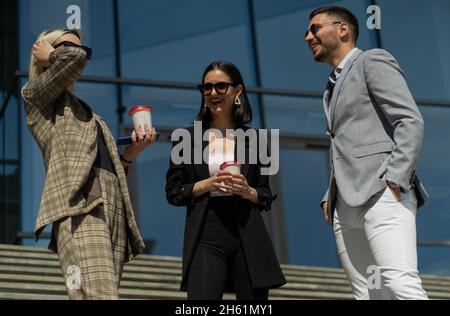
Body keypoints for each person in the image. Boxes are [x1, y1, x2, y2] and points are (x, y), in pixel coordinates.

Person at [22, 28, 156, 299]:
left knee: (95, 294)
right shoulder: (36, 95)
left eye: (83, 50)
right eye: (67, 47)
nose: (79, 55)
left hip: (111, 205)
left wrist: (130, 154)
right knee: (100, 295)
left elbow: (102, 166)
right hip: (79, 206)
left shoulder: (89, 114)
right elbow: (73, 59)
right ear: (43, 51)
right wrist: (57, 55)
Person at [305, 6, 429, 300]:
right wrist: (330, 194)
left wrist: (396, 178)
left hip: (382, 193)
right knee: (369, 295)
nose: (308, 37)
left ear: (343, 29)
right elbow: (346, 142)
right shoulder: (330, 87)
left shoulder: (372, 60)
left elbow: (409, 121)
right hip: (345, 205)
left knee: (401, 284)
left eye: (315, 28)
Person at [165, 61, 286, 300]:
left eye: (221, 86)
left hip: (248, 235)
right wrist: (206, 185)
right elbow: (173, 192)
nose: (212, 93)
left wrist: (247, 191)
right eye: (206, 88)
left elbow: (264, 196)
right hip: (206, 235)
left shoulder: (257, 139)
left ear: (237, 91)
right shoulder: (185, 138)